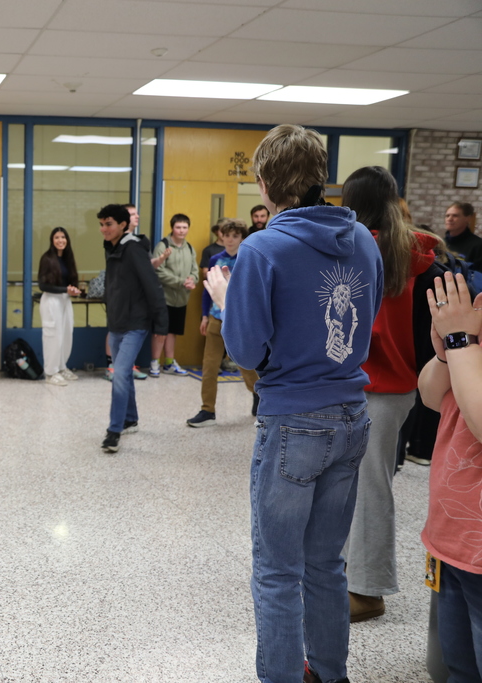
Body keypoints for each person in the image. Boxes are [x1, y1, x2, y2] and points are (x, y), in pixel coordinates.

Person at [206, 124, 383, 683]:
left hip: (292, 423)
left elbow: (247, 349)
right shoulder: (363, 242)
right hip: (352, 415)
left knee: (277, 572)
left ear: (264, 183)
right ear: (318, 177)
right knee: (326, 564)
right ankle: (330, 674)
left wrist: (227, 299)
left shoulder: (262, 247)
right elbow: (367, 320)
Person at [340, 166, 442, 622]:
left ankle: (368, 590)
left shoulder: (353, 248)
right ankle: (349, 572)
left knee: (368, 486)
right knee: (356, 484)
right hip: (399, 387)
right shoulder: (417, 253)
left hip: (371, 387)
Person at [419, 269, 482, 683]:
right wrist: (446, 351)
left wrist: (461, 342)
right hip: (451, 537)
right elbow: (430, 395)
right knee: (457, 666)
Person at [97, 204, 168, 453]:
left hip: (135, 324)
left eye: (109, 224)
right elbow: (115, 286)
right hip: (117, 323)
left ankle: (114, 431)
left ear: (123, 225)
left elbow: (152, 285)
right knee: (124, 374)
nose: (104, 229)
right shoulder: (112, 247)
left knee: (119, 373)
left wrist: (161, 322)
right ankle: (130, 418)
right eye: (101, 224)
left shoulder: (133, 248)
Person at [187, 218, 258, 427]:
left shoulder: (249, 259)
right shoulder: (215, 259)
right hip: (216, 319)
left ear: (242, 238)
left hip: (241, 321)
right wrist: (204, 316)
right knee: (209, 366)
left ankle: (258, 394)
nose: (229, 239)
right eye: (226, 235)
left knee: (246, 365)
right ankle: (207, 410)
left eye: (235, 236)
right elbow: (207, 290)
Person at [150, 213, 199, 377]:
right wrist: (180, 281)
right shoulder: (163, 246)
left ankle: (169, 363)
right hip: (164, 297)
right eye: (178, 227)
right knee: (161, 331)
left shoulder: (189, 248)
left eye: (185, 227)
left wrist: (192, 280)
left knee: (173, 332)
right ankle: (154, 363)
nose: (182, 230)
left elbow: (195, 270)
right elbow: (158, 271)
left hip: (182, 298)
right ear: (172, 228)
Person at [37, 227, 82, 386]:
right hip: (51, 300)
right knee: (53, 336)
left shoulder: (68, 258)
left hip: (64, 300)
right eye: (57, 237)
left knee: (66, 334)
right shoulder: (47, 258)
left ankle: (62, 367)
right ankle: (50, 372)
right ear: (52, 240)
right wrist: (65, 290)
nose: (60, 240)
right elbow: (43, 285)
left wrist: (73, 291)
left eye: (63, 237)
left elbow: (70, 282)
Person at [443, 201, 482, 270]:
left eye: (455, 216)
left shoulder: (478, 246)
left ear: (468, 219)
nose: (449, 219)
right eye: (447, 216)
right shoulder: (440, 244)